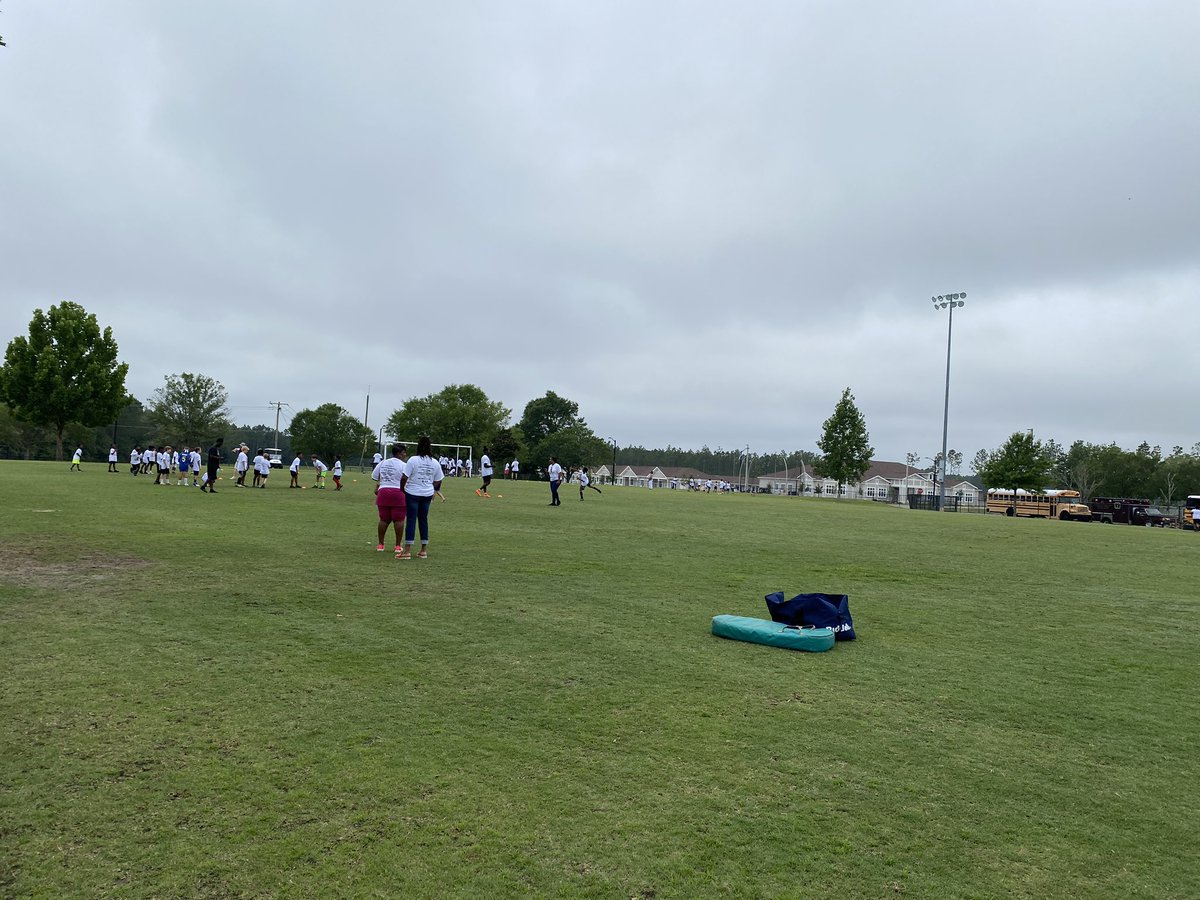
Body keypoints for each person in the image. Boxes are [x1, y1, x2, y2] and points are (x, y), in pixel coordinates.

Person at [398, 435, 445, 559]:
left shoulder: (413, 460)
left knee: (411, 520)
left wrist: (402, 489)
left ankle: (407, 551)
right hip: (427, 494)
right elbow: (439, 479)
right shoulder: (434, 462)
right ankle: (423, 550)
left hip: (412, 493)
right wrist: (433, 489)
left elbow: (404, 477)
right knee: (423, 520)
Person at [372, 443, 408, 552]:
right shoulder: (404, 465)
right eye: (404, 452)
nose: (405, 454)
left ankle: (380, 545)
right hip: (398, 492)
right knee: (399, 520)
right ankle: (397, 545)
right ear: (400, 453)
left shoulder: (383, 462)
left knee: (383, 519)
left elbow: (374, 476)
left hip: (383, 491)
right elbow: (407, 479)